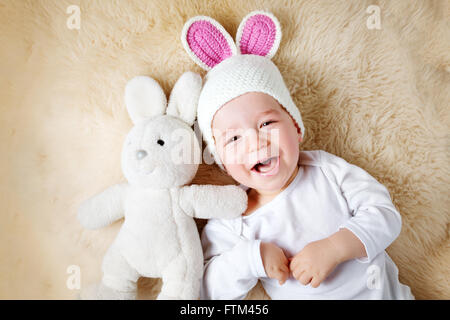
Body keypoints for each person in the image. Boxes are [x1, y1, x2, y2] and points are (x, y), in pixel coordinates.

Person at [181, 10, 414, 299]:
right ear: (223, 164)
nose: (255, 142)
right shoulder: (232, 216)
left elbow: (385, 216)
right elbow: (207, 291)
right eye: (234, 138)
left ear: (296, 127)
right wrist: (251, 259)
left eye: (267, 123)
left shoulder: (326, 170)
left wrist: (336, 247)